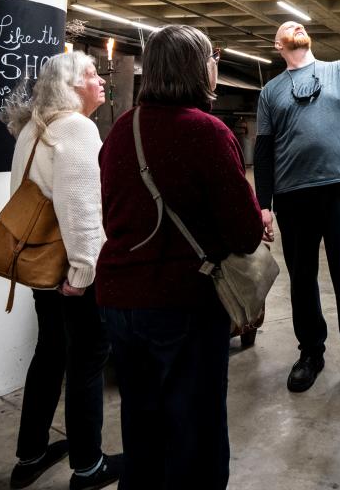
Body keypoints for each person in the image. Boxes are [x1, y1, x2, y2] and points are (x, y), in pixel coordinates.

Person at [96, 26, 263, 489]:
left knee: (142, 425)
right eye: (212, 58)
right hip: (182, 303)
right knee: (196, 433)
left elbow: (114, 212)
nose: (216, 67)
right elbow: (245, 234)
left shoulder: (121, 130)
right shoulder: (207, 132)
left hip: (119, 301)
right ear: (196, 67)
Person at [0, 52, 122, 490]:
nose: (100, 80)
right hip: (73, 274)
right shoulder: (77, 128)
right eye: (91, 75)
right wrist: (85, 271)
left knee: (49, 356)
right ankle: (88, 467)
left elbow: (24, 199)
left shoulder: (33, 129)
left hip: (41, 266)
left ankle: (29, 456)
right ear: (70, 88)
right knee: (87, 361)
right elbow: (82, 208)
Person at [255, 7, 340, 407]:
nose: (296, 25)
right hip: (293, 196)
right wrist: (264, 206)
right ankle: (310, 353)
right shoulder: (270, 91)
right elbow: (262, 153)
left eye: (300, 23)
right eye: (285, 27)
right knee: (302, 280)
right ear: (279, 45)